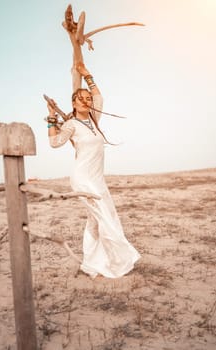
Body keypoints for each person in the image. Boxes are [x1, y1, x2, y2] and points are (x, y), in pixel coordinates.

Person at [46, 62, 141, 278]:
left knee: (97, 220)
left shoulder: (93, 120)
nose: (87, 101)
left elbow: (100, 99)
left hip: (97, 178)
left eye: (88, 99)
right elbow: (54, 143)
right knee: (103, 217)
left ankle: (92, 262)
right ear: (73, 102)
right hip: (82, 178)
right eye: (82, 98)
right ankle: (116, 261)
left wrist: (88, 76)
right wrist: (52, 117)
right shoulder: (71, 125)